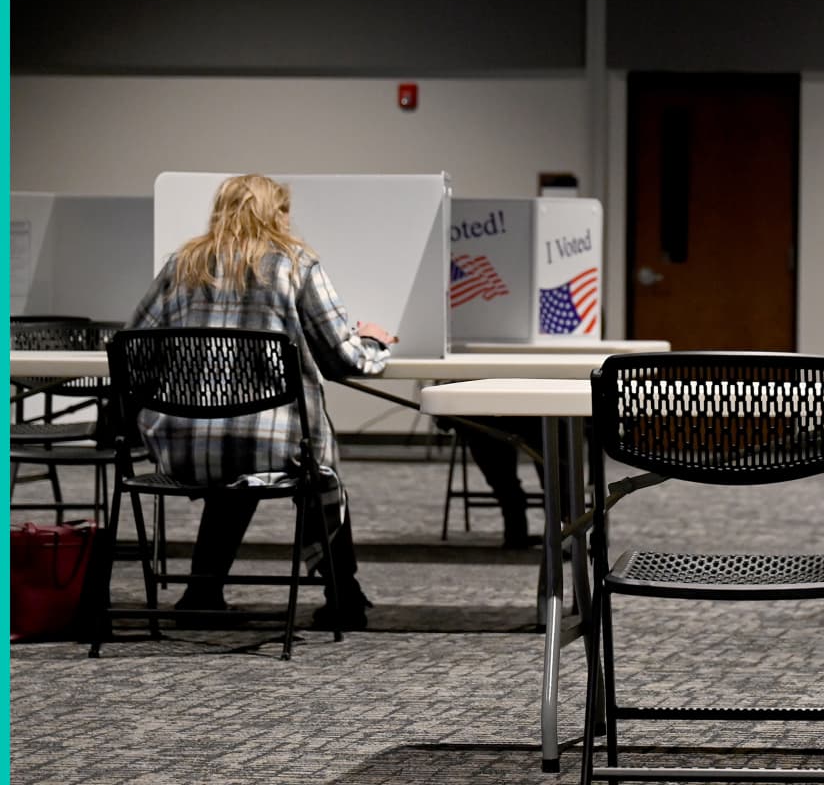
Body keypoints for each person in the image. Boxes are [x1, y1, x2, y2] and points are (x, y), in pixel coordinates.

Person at [127, 174, 395, 631]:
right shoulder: (296, 265)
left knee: (238, 455)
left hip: (181, 449)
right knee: (307, 465)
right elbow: (341, 356)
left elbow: (137, 348)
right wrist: (374, 343)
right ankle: (342, 595)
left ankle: (202, 591)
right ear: (275, 213)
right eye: (286, 210)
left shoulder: (182, 264)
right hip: (271, 445)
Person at [444, 417, 541, 549]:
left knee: (509, 487)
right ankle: (518, 536)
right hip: (483, 425)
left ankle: (520, 535)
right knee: (508, 487)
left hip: (499, 422)